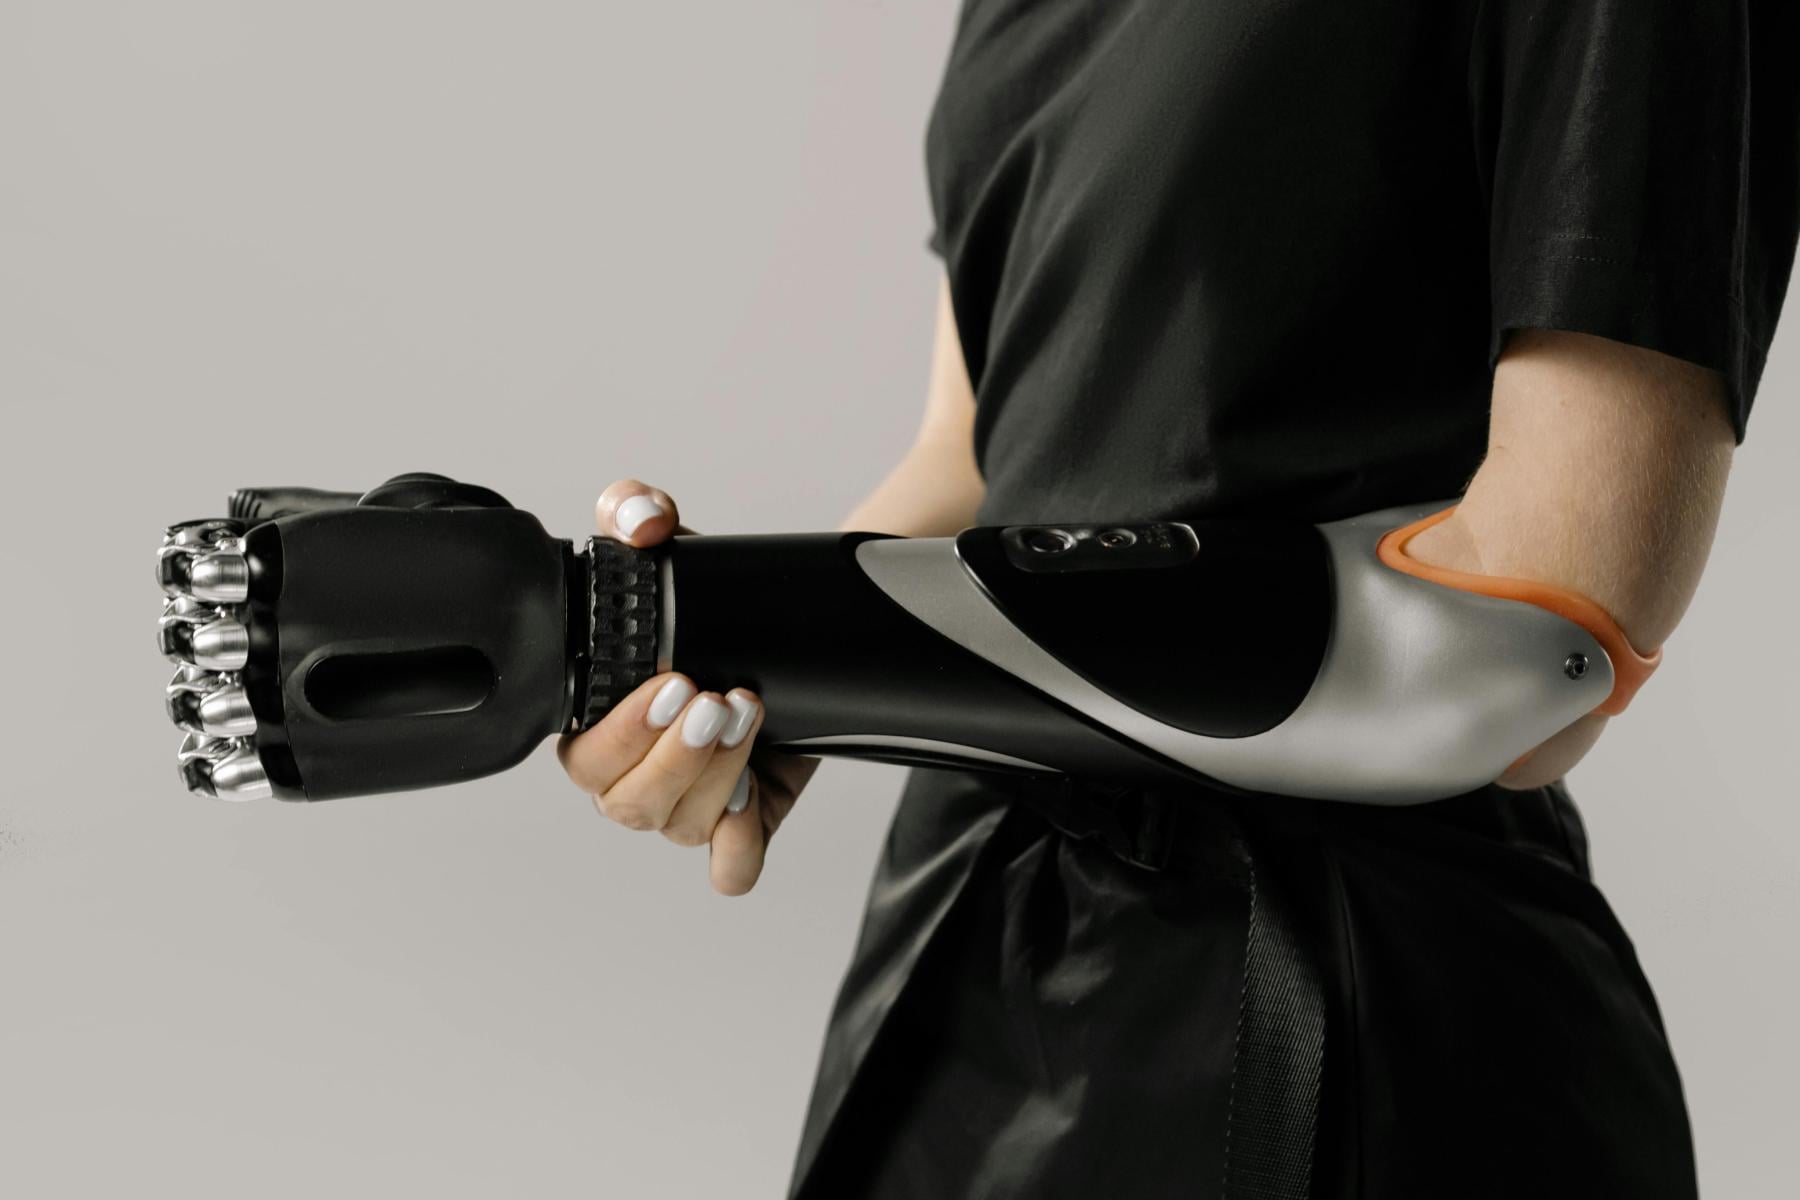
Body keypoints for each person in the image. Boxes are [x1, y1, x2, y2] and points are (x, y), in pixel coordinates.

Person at [556, 2, 1799, 1196]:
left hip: (1344, 1007)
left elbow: (1541, 630)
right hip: (962, 963)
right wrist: (691, 632)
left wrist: (843, 637)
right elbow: (984, 454)